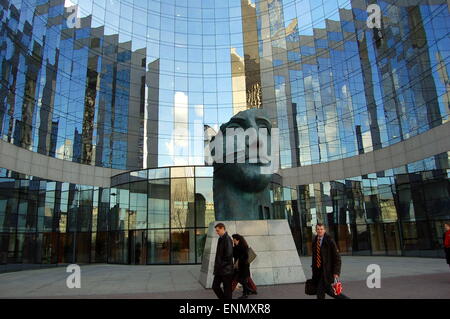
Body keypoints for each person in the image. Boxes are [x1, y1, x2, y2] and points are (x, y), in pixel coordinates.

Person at [311, 223, 350, 299]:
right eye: (318, 229)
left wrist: (336, 272)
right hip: (318, 272)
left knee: (320, 292)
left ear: (324, 230)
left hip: (327, 272)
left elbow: (337, 258)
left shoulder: (329, 240)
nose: (320, 231)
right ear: (316, 230)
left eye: (321, 229)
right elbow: (314, 258)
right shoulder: (315, 241)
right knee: (330, 291)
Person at [212, 223, 234, 299]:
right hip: (220, 270)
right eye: (216, 231)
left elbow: (228, 256)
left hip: (226, 271)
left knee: (227, 291)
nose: (217, 232)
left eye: (218, 230)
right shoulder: (220, 239)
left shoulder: (227, 239)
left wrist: (219, 266)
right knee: (215, 287)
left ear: (222, 228)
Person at [231, 234, 257, 299]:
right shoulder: (237, 247)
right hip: (240, 267)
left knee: (243, 280)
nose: (233, 241)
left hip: (243, 266)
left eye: (234, 240)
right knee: (241, 280)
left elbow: (244, 257)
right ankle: (248, 290)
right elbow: (233, 255)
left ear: (238, 240)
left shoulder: (242, 247)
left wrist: (238, 263)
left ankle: (245, 294)